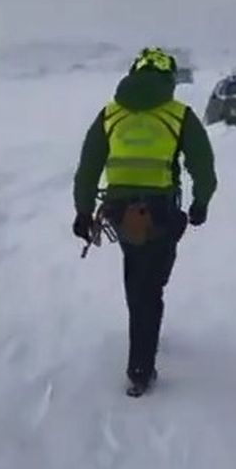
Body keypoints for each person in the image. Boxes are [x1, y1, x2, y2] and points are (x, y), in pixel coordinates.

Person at [72, 47, 218, 397]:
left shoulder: (109, 115)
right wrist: (200, 204)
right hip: (162, 214)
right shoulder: (179, 115)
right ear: (169, 78)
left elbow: (88, 169)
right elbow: (204, 167)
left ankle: (142, 324)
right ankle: (140, 369)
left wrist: (82, 211)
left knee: (138, 277)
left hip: (121, 215)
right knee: (151, 285)